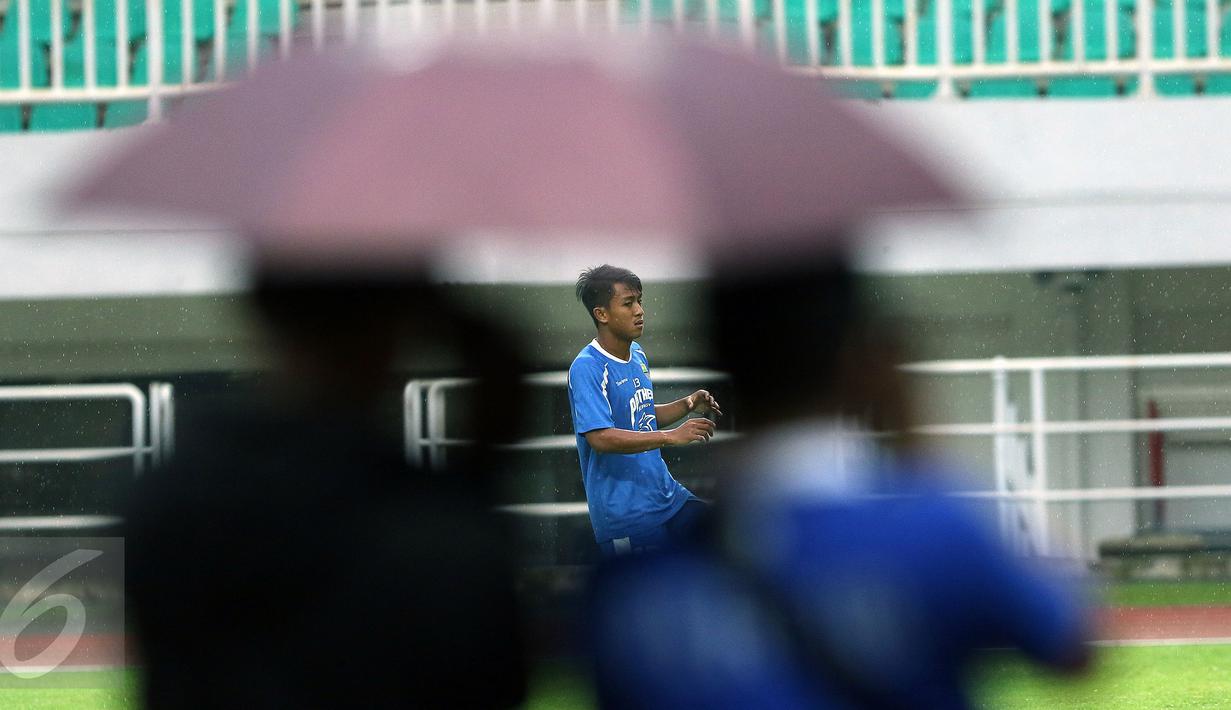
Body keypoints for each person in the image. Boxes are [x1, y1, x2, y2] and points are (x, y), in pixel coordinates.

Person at [590, 254, 1090, 709]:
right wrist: (920, 453)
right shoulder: (937, 534)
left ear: (720, 356)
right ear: (863, 361)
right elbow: (1070, 644)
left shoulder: (626, 593)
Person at [124, 272, 529, 708]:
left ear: (261, 307)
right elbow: (491, 672)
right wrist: (484, 458)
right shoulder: (430, 527)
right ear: (405, 325)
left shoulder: (174, 496)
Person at [568, 264, 721, 557]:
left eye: (639, 301)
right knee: (656, 596)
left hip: (669, 499)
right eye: (628, 303)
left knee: (722, 543)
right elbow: (600, 438)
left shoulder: (637, 354)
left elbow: (643, 416)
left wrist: (688, 404)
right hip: (628, 517)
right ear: (601, 314)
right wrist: (670, 437)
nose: (639, 310)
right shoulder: (587, 367)